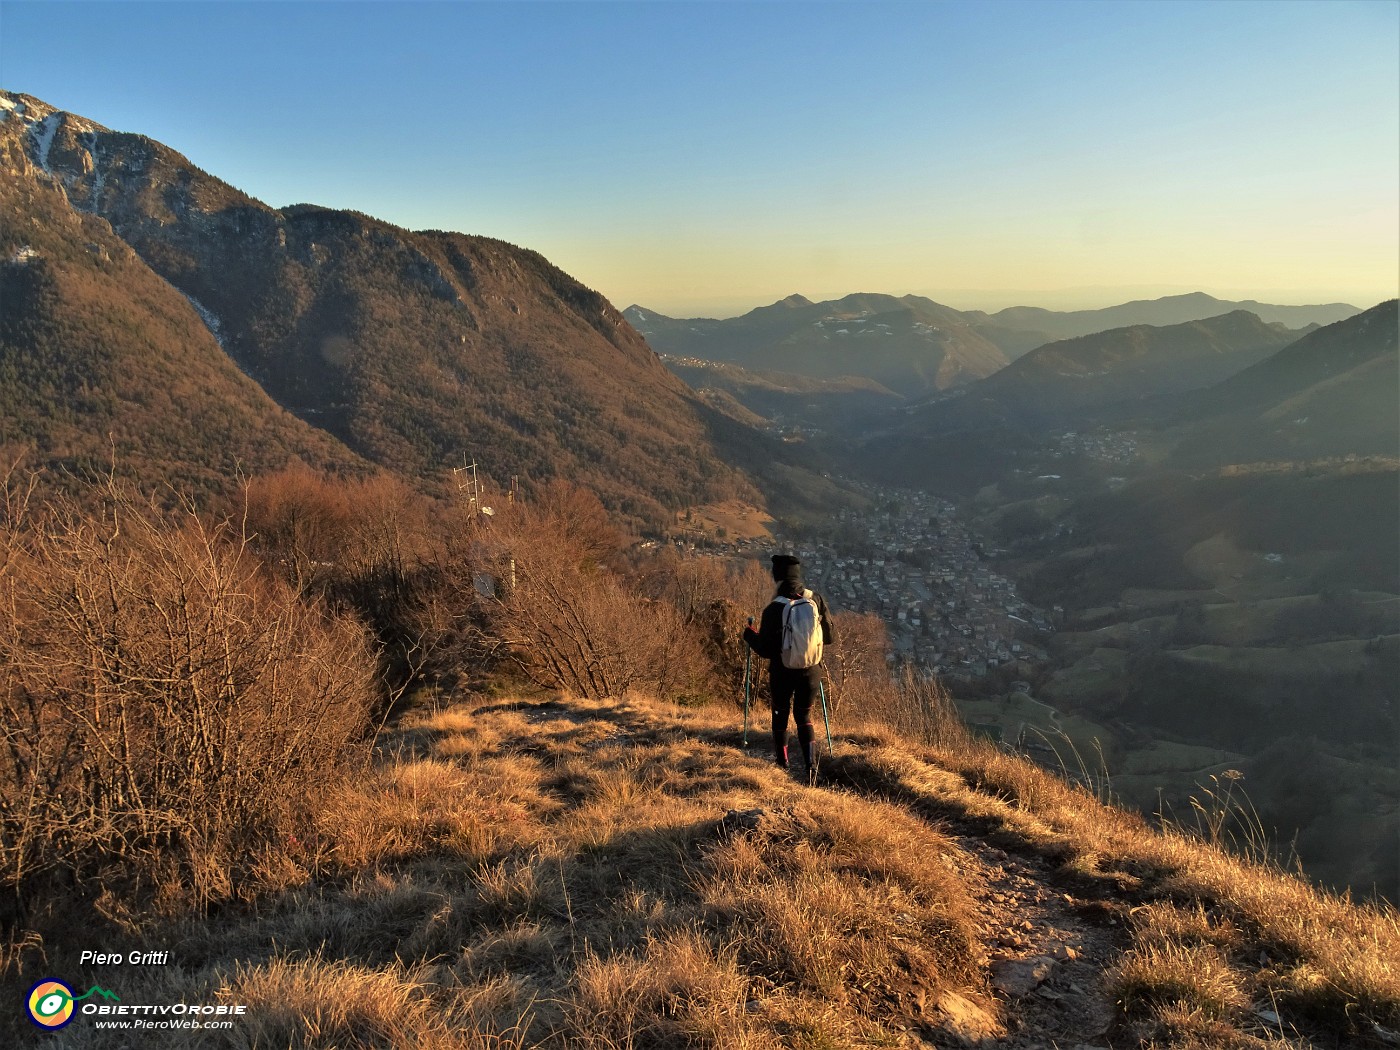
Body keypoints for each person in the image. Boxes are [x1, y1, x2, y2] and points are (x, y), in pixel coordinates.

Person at [743, 554, 835, 783]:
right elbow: (830, 637)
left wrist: (749, 636)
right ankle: (811, 767)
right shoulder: (816, 600)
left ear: (777, 576)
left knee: (780, 714)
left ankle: (782, 763)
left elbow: (764, 648)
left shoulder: (774, 608)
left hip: (782, 671)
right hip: (811, 670)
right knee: (804, 715)